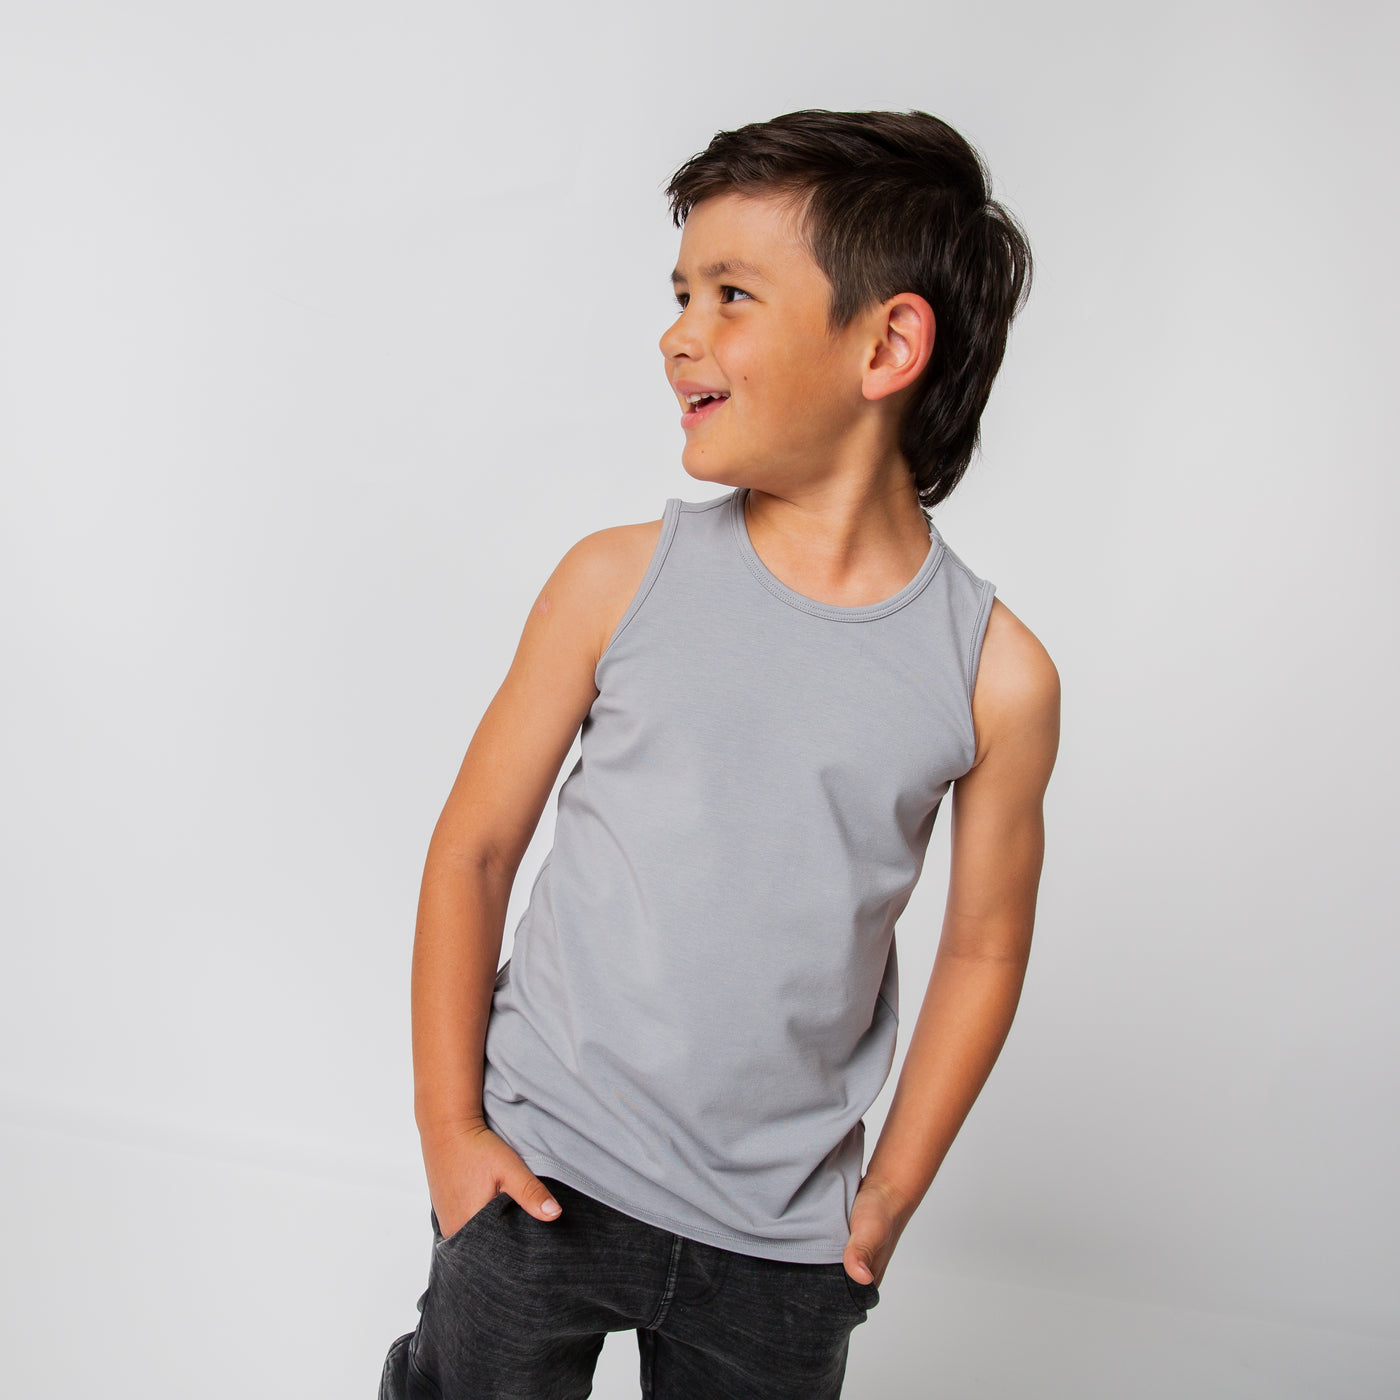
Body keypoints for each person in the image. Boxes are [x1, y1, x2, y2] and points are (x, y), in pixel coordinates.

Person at [380, 107, 1060, 1400]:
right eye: (681, 292)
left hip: (781, 1242)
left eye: (731, 294)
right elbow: (473, 851)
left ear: (887, 346)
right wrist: (450, 1131)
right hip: (538, 1173)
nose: (678, 333)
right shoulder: (616, 581)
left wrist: (888, 1197)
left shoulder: (996, 675)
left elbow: (984, 948)